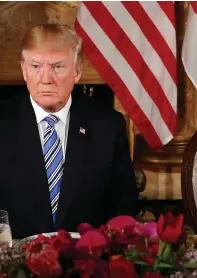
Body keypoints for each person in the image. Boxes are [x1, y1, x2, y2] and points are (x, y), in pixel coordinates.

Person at [0, 24, 139, 239]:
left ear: (77, 72)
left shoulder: (108, 125)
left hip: (87, 261)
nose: (46, 79)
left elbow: (124, 206)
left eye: (57, 67)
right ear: (24, 70)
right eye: (36, 66)